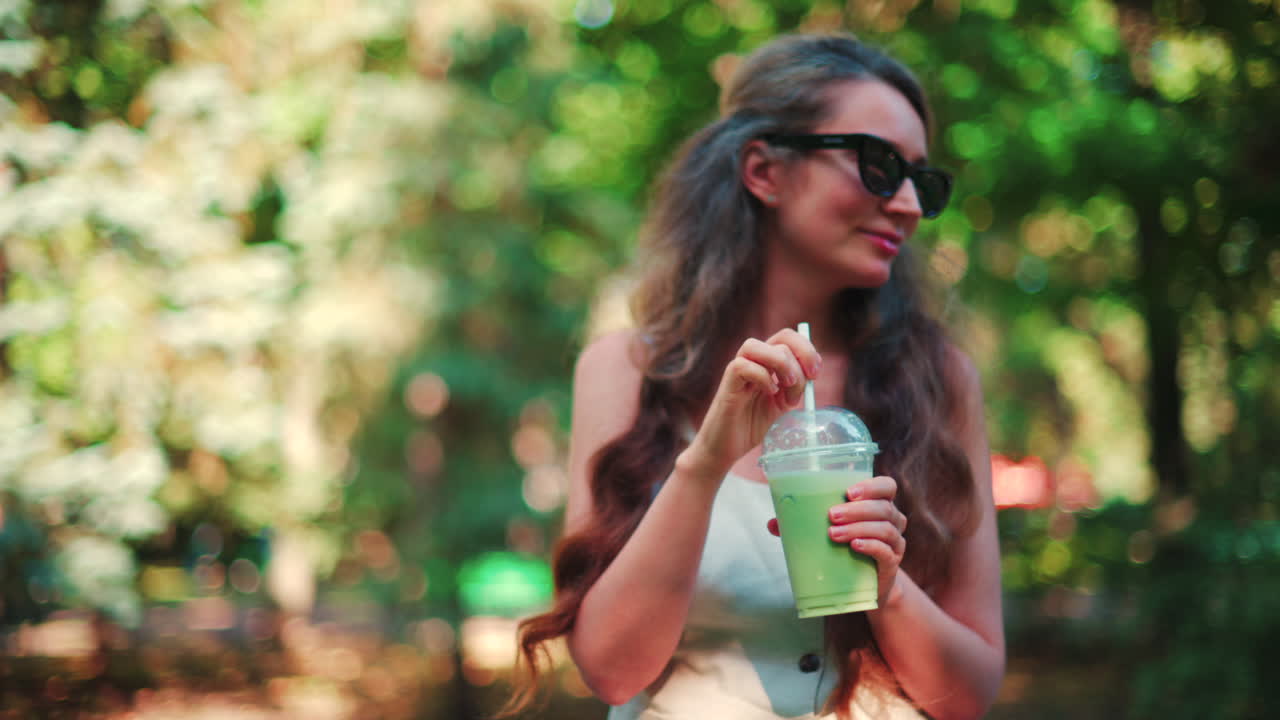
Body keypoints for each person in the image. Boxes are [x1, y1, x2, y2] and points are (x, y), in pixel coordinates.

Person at [507, 33, 1005, 720]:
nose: (911, 206)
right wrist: (705, 464)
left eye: (923, 181)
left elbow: (970, 694)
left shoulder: (939, 378)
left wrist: (887, 589)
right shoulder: (626, 371)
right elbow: (611, 674)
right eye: (880, 165)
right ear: (764, 172)